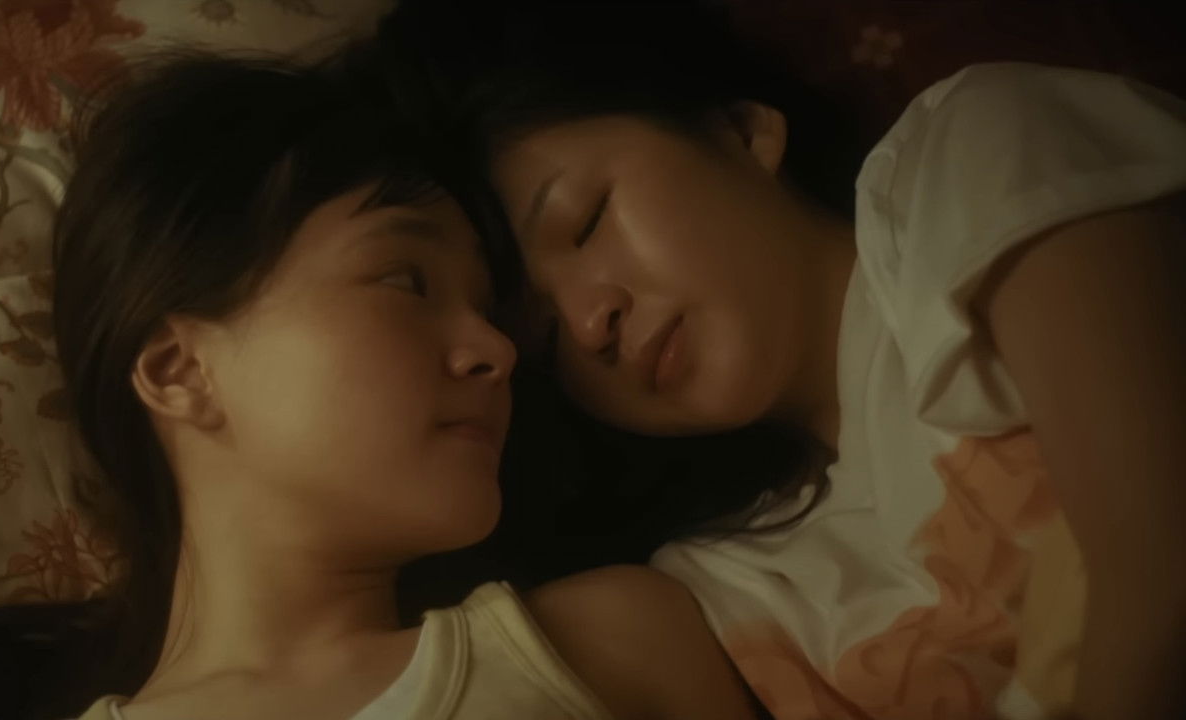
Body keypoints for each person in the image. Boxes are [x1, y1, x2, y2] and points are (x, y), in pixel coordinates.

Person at [372, 2, 1186, 719]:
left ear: (741, 130)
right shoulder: (728, 583)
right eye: (546, 339)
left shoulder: (970, 154)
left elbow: (1158, 573)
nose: (590, 324)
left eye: (585, 222)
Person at [0, 48, 763, 720]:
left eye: (487, 310)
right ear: (180, 370)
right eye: (404, 281)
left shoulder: (611, 646)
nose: (496, 351)